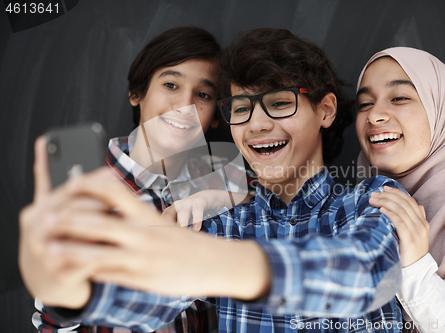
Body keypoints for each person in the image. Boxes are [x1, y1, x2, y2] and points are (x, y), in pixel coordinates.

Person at [20, 28, 404, 332]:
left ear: (325, 109)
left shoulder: (371, 200)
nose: (257, 124)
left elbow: (368, 273)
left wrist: (220, 265)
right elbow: (149, 299)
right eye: (241, 108)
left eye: (280, 102)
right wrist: (70, 292)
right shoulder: (222, 222)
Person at [25, 26, 251, 333]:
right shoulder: (87, 187)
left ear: (214, 115)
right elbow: (54, 321)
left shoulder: (213, 178)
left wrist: (219, 195)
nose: (184, 106)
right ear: (137, 93)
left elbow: (265, 188)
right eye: (171, 85)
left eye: (202, 94)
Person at [355, 47, 445, 332]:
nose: (374, 116)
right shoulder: (348, 216)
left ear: (441, 110)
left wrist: (416, 269)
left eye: (399, 98)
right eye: (364, 104)